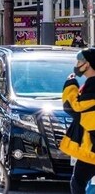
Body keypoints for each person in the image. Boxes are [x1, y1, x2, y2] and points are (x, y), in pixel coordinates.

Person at [60, 47, 95, 194]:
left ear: (88, 64)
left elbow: (74, 107)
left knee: (77, 183)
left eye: (81, 60)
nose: (78, 63)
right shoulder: (90, 83)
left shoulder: (93, 85)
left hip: (92, 146)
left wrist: (70, 85)